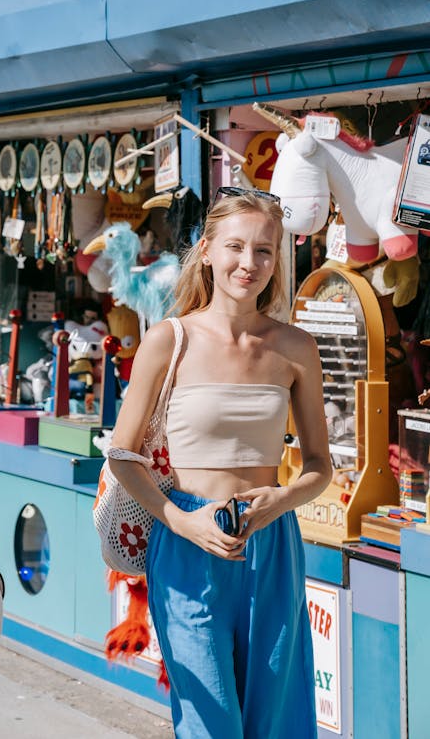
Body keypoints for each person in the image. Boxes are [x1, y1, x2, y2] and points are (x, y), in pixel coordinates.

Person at [108, 189, 331, 739]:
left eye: (264, 250)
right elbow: (122, 456)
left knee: (275, 718)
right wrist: (182, 521)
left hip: (272, 541)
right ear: (205, 250)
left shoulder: (296, 347)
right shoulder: (169, 340)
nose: (249, 264)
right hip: (185, 539)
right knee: (211, 723)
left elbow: (319, 466)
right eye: (236, 247)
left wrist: (281, 498)